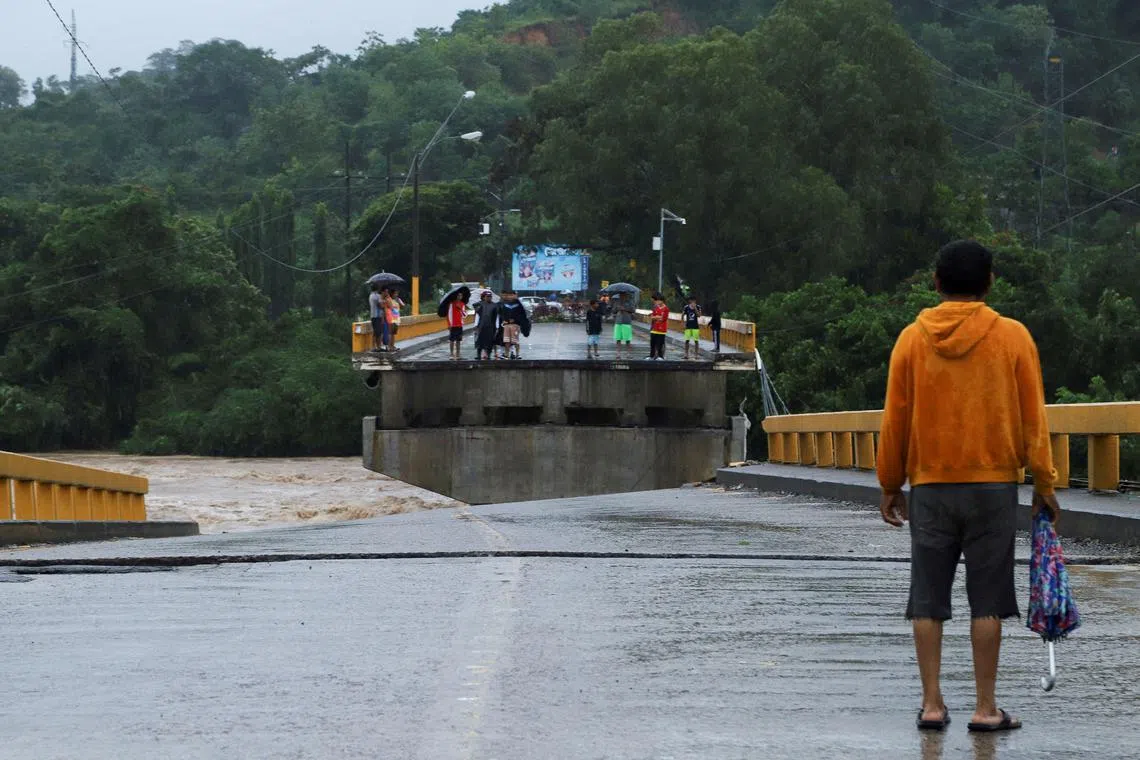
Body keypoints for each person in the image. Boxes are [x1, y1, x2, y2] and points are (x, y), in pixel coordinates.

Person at [877, 240, 1061, 734]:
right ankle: (985, 708)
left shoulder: (912, 340)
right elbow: (1033, 419)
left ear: (936, 283)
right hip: (993, 487)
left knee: (927, 597)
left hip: (932, 486)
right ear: (990, 282)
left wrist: (890, 482)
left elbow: (895, 418)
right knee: (989, 597)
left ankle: (932, 705)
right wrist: (1044, 482)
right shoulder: (1014, 337)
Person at [498, 290, 530, 360]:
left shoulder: (518, 304)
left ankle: (517, 354)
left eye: (512, 295)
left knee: (515, 340)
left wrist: (516, 320)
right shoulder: (504, 304)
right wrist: (504, 320)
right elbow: (502, 314)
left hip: (515, 325)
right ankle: (506, 355)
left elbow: (523, 315)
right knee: (507, 341)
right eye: (509, 295)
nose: (510, 296)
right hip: (506, 325)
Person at [473, 291, 501, 361]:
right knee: (479, 340)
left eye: (490, 297)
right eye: (487, 296)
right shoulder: (479, 305)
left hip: (491, 326)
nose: (489, 298)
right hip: (481, 326)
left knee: (490, 341)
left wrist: (497, 326)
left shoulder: (495, 305)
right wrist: (476, 325)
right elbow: (477, 315)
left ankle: (488, 355)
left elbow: (497, 317)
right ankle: (478, 355)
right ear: (484, 297)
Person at [647, 292, 669, 360]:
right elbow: (652, 317)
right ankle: (651, 356)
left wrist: (655, 317)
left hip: (661, 329)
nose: (656, 302)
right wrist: (656, 317)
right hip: (654, 328)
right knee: (652, 343)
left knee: (660, 344)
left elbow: (663, 319)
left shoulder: (666, 309)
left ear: (661, 300)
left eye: (657, 300)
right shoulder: (656, 308)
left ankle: (660, 356)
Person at [447, 290, 468, 361]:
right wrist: (449, 324)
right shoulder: (451, 304)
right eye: (458, 295)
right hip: (453, 325)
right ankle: (451, 354)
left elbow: (465, 315)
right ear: (456, 296)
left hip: (460, 324)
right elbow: (449, 314)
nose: (460, 297)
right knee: (452, 340)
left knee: (458, 340)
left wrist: (460, 309)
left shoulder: (462, 304)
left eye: (461, 296)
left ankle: (458, 354)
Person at [613, 294, 634, 360]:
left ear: (626, 295)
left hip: (626, 322)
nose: (622, 296)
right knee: (618, 339)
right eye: (621, 295)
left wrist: (625, 309)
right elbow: (613, 310)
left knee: (628, 339)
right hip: (618, 322)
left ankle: (628, 354)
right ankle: (618, 354)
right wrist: (618, 308)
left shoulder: (630, 302)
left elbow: (633, 310)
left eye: (623, 295)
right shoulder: (617, 302)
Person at [369, 284, 389, 352]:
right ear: (377, 288)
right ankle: (376, 347)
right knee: (377, 332)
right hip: (377, 316)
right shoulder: (376, 296)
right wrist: (385, 302)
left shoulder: (371, 295)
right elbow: (381, 305)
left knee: (377, 332)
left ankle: (377, 347)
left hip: (373, 316)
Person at [682, 295, 702, 360]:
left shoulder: (698, 307)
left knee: (696, 341)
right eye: (691, 301)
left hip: (695, 326)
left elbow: (699, 315)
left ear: (695, 301)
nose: (693, 302)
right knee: (687, 341)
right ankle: (686, 354)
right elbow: (682, 315)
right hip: (688, 326)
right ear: (689, 301)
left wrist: (695, 308)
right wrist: (683, 323)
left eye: (694, 301)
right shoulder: (686, 307)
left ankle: (696, 355)